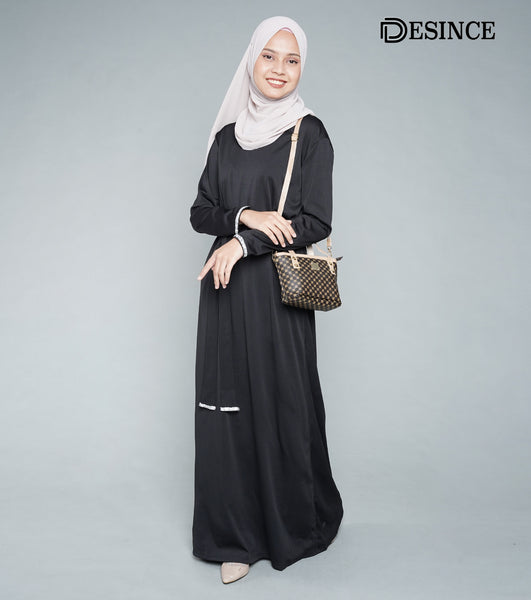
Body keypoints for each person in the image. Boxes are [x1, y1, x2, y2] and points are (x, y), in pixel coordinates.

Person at [189, 15, 343, 584]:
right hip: (224, 293)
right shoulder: (226, 138)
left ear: (302, 67)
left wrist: (243, 243)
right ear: (252, 60)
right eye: (269, 57)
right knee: (226, 409)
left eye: (292, 59)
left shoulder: (310, 133)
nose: (279, 69)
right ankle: (235, 537)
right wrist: (243, 217)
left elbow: (315, 221)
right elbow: (200, 211)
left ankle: (288, 524)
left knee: (280, 404)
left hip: (277, 296)